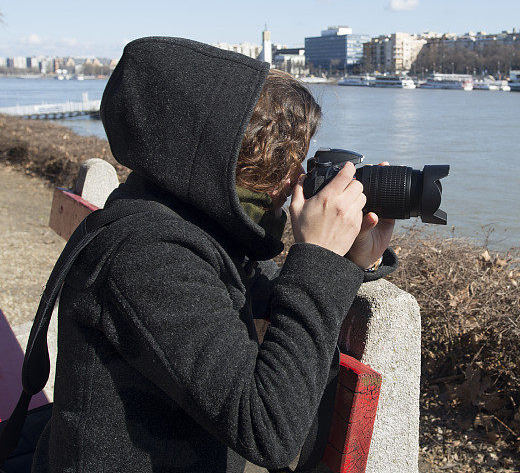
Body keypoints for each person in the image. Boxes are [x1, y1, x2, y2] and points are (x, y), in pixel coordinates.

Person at [32, 37, 397, 472]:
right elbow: (270, 432)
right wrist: (315, 256)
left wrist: (350, 259)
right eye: (279, 158)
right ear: (216, 155)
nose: (295, 179)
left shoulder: (190, 219)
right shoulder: (148, 254)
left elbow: (275, 305)